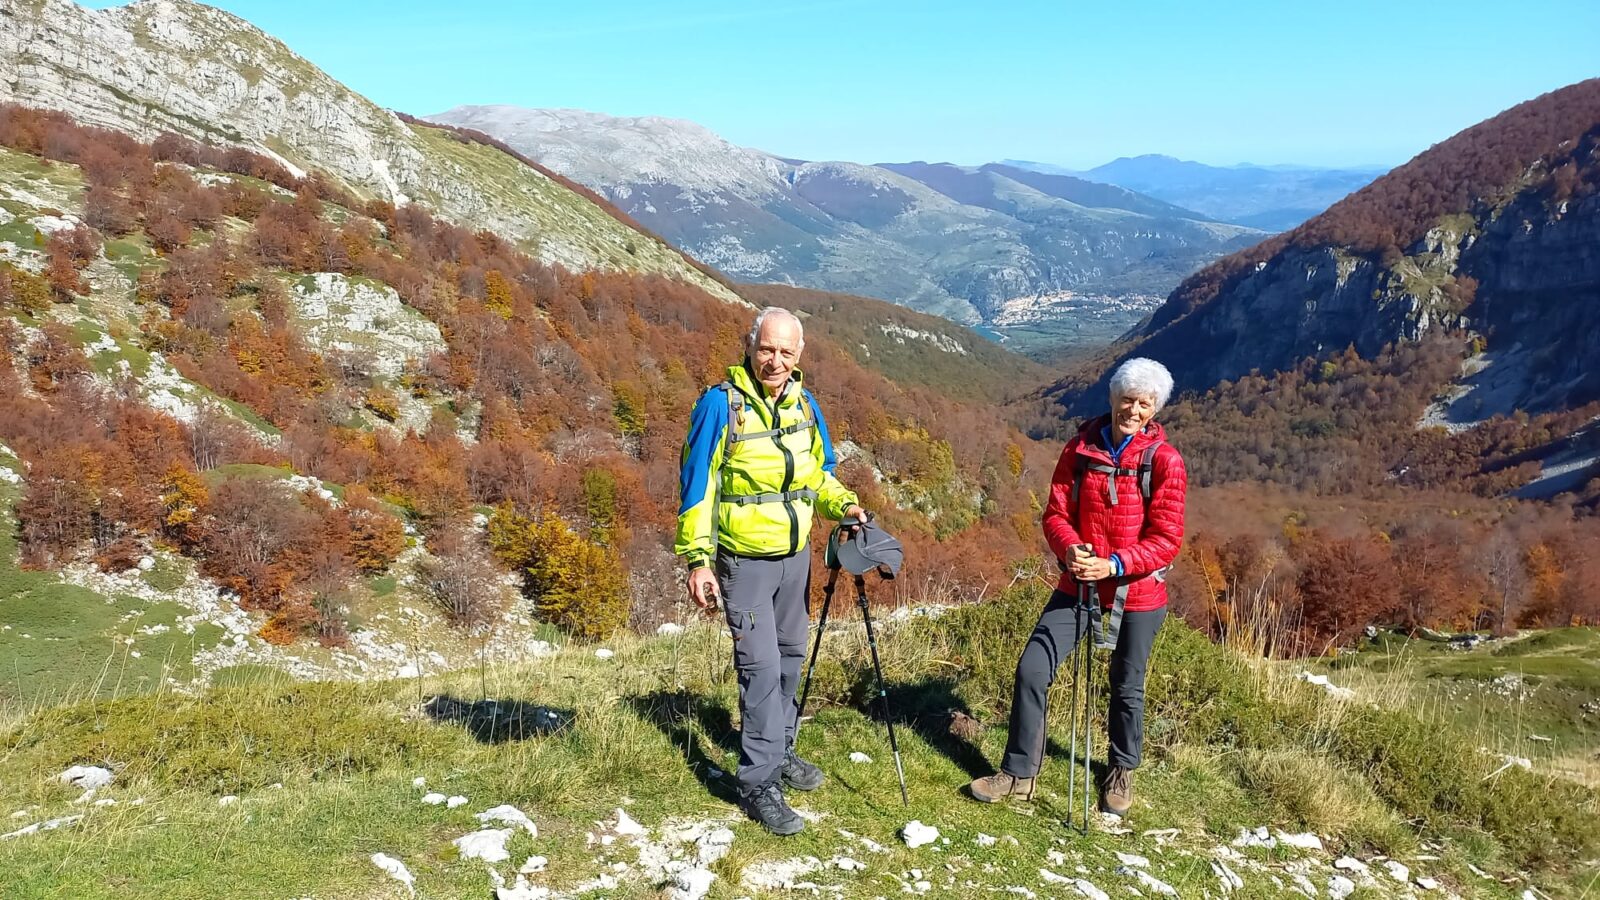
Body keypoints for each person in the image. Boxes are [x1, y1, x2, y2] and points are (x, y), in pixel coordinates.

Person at [967, 357, 1187, 818]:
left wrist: (1113, 564)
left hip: (1138, 594)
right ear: (1112, 398)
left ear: (1155, 409)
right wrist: (1069, 550)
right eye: (1127, 399)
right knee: (1033, 668)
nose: (1133, 410)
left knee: (1127, 687)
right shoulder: (1080, 450)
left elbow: (1167, 540)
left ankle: (1121, 769)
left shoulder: (1165, 461)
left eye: (1145, 404)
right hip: (1078, 584)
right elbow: (1055, 515)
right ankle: (1019, 774)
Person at [676, 306, 866, 836]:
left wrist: (845, 506)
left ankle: (778, 750)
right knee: (758, 669)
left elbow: (819, 477)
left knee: (787, 660)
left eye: (786, 351)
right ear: (750, 346)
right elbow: (697, 486)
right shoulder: (721, 406)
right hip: (743, 563)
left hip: (795, 559)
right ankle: (757, 781)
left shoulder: (806, 407)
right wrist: (697, 559)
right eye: (767, 349)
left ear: (799, 355)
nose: (775, 360)